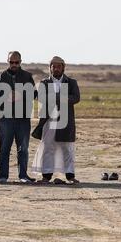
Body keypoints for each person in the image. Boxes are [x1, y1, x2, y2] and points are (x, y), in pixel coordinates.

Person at [32, 56, 80, 185]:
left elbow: (76, 98)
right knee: (48, 148)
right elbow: (42, 98)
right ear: (50, 68)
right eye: (54, 66)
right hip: (49, 120)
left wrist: (59, 97)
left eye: (59, 66)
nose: (56, 69)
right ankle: (46, 176)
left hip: (66, 121)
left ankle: (70, 176)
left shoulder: (71, 82)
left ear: (63, 68)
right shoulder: (44, 83)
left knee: (67, 149)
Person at [0, 51, 37, 183]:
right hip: (5, 118)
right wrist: (6, 95)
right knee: (4, 148)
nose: (14, 64)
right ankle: (2, 176)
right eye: (11, 62)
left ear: (20, 62)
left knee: (23, 148)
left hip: (23, 118)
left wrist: (20, 95)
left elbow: (34, 94)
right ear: (8, 61)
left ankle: (23, 175)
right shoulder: (1, 76)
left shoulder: (27, 76)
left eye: (16, 62)